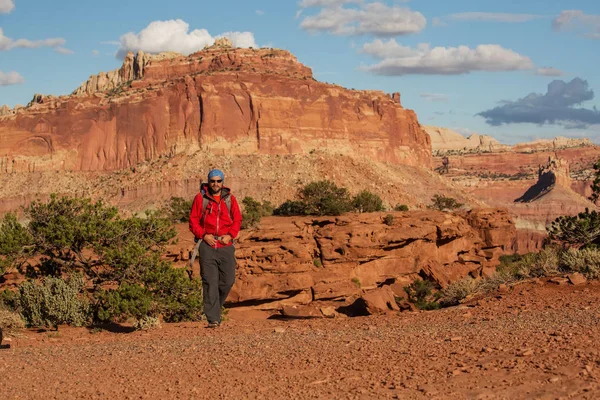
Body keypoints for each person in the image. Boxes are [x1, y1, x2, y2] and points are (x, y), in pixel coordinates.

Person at [189, 169, 242, 328]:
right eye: (213, 181)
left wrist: (230, 235)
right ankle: (213, 319)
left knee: (228, 280)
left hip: (225, 244)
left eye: (219, 181)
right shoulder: (200, 198)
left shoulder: (230, 199)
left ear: (222, 182)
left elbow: (237, 219)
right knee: (210, 282)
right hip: (207, 245)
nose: (215, 184)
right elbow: (193, 221)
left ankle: (215, 308)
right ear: (208, 181)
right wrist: (204, 235)